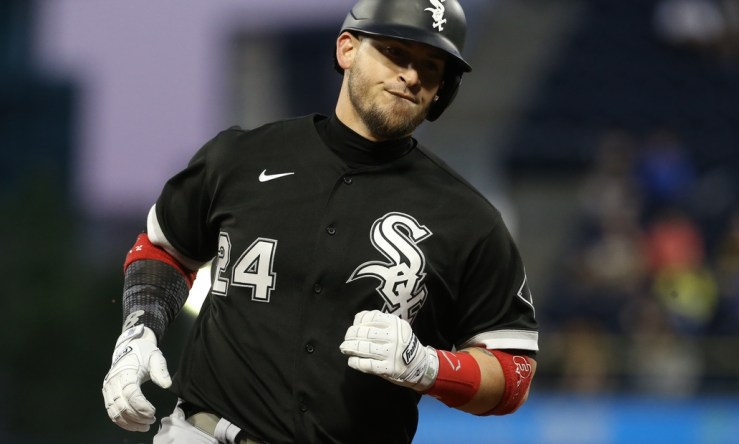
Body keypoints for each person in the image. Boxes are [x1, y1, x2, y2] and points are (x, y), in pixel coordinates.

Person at [101, 1, 539, 442]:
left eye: (431, 65)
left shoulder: (469, 219)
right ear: (347, 49)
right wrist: (138, 331)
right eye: (395, 52)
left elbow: (512, 372)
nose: (411, 75)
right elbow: (165, 247)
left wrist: (430, 367)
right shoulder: (240, 156)